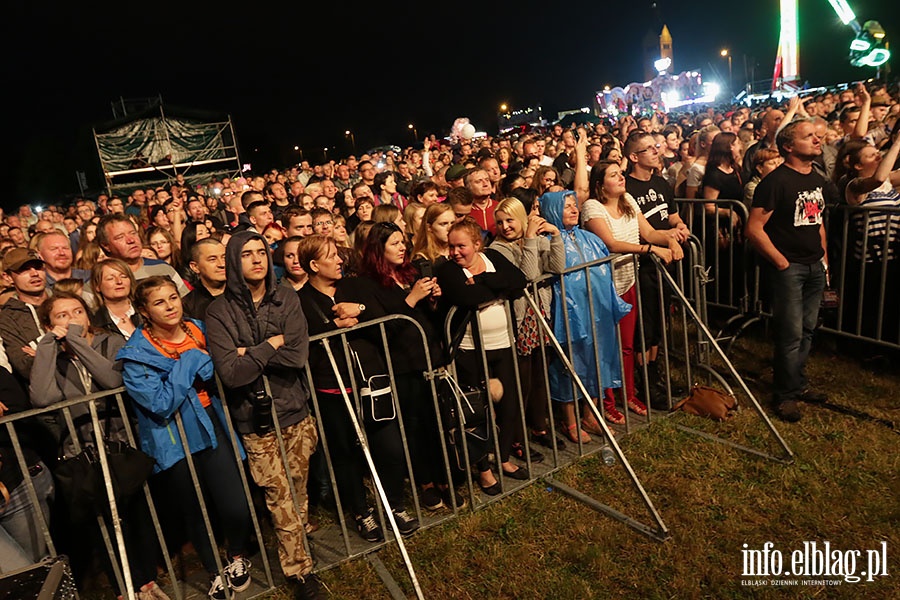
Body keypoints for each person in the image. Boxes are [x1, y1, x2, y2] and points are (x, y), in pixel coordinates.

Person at [117, 277, 254, 600]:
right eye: (159, 302)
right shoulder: (136, 353)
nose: (170, 306)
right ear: (144, 310)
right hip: (172, 437)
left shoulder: (198, 329)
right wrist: (191, 362)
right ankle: (212, 570)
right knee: (195, 509)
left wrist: (193, 368)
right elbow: (160, 402)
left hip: (212, 423)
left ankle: (236, 554)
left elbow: (224, 367)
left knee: (236, 503)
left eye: (173, 298)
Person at [205, 231, 324, 599]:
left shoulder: (286, 297)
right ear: (232, 262)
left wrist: (250, 352)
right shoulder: (218, 311)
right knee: (279, 495)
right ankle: (300, 572)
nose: (257, 259)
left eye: (261, 252)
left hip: (295, 411)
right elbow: (230, 373)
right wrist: (271, 344)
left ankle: (298, 545)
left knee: (298, 492)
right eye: (246, 254)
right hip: (255, 420)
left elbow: (297, 356)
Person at [29, 292, 169, 599]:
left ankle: (148, 582)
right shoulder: (51, 356)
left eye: (77, 311)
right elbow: (43, 398)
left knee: (136, 516)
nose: (72, 319)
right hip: (83, 454)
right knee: (102, 524)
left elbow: (111, 381)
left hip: (121, 445)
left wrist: (77, 341)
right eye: (62, 316)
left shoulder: (112, 344)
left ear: (88, 315)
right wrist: (48, 346)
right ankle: (124, 589)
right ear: (49, 325)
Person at [296, 235, 419, 541]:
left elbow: (386, 316)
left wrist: (361, 309)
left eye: (339, 254)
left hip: (372, 380)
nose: (340, 260)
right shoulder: (300, 301)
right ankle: (362, 513)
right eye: (331, 256)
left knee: (389, 447)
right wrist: (332, 329)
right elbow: (301, 344)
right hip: (333, 388)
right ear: (313, 265)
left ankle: (395, 505)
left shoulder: (356, 285)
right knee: (346, 455)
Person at [356, 222, 458, 510]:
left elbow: (429, 319)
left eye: (403, 242)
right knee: (414, 428)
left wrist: (435, 301)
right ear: (378, 249)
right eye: (395, 243)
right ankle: (425, 483)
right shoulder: (366, 284)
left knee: (438, 422)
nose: (403, 248)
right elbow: (381, 328)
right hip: (401, 366)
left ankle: (445, 478)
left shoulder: (410, 273)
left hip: (430, 359)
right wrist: (411, 299)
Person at [581, 161, 682, 424]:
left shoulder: (627, 200)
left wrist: (669, 239)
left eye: (621, 173)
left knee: (627, 345)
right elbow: (611, 244)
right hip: (604, 285)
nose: (621, 177)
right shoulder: (593, 207)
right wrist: (651, 250)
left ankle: (628, 393)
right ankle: (606, 401)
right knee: (606, 346)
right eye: (614, 175)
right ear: (600, 185)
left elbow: (647, 232)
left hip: (628, 280)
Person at [745, 119, 829, 423]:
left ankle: (797, 383)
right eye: (809, 137)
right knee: (790, 332)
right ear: (789, 146)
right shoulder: (775, 182)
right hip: (789, 268)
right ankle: (785, 395)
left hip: (814, 265)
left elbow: (818, 222)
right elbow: (754, 229)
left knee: (807, 329)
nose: (818, 139)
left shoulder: (817, 178)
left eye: (817, 135)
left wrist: (824, 260)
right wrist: (781, 262)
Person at [436, 218, 529, 493]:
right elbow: (468, 298)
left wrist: (485, 280)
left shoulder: (494, 257)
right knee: (475, 411)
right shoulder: (447, 270)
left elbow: (519, 281)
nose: (455, 253)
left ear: (477, 244)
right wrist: (499, 288)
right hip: (469, 350)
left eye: (461, 246)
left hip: (503, 343)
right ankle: (484, 470)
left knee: (510, 404)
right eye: (451, 247)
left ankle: (502, 458)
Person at [539, 191, 631, 442]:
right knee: (569, 366)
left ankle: (590, 414)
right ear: (553, 210)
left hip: (597, 311)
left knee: (596, 361)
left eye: (574, 205)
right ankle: (569, 420)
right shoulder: (547, 241)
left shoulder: (590, 238)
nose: (573, 209)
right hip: (569, 313)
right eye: (566, 206)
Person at [489, 197, 566, 451]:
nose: (505, 226)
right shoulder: (498, 249)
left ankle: (539, 426)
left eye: (510, 220)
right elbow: (529, 275)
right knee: (522, 382)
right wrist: (532, 239)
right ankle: (516, 437)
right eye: (500, 222)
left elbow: (557, 267)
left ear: (521, 217)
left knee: (540, 376)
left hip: (540, 315)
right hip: (520, 320)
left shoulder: (537, 238)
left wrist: (555, 236)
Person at [96, 214, 189, 296]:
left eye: (133, 233)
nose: (131, 240)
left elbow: (187, 303)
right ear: (106, 245)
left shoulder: (162, 268)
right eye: (120, 237)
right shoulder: (100, 279)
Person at [89, 258, 142, 340]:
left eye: (123, 276)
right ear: (97, 286)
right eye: (110, 278)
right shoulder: (94, 321)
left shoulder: (146, 311)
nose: (119, 281)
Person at [182, 238, 227, 322]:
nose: (222, 264)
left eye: (224, 257)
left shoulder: (245, 292)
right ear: (195, 267)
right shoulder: (188, 305)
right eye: (212, 259)